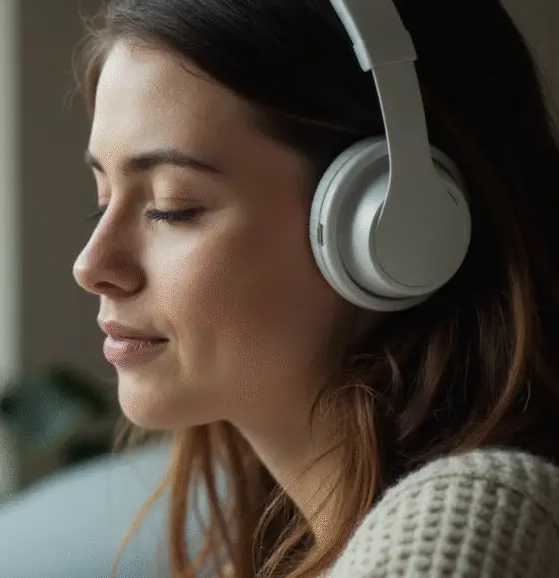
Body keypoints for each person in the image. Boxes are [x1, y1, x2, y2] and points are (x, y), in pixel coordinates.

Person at [70, 0, 559, 577]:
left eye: (174, 208)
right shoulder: (276, 548)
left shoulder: (478, 515)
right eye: (102, 200)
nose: (92, 265)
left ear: (394, 226)